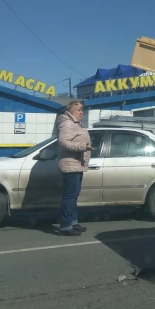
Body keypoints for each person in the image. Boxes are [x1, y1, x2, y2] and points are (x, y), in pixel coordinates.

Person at [56, 101, 93, 236]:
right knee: (69, 196)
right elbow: (63, 142)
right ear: (70, 110)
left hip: (77, 164)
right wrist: (83, 147)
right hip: (70, 164)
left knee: (74, 196)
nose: (81, 112)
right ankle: (65, 226)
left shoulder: (76, 123)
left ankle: (73, 222)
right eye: (77, 109)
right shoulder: (67, 123)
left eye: (82, 109)